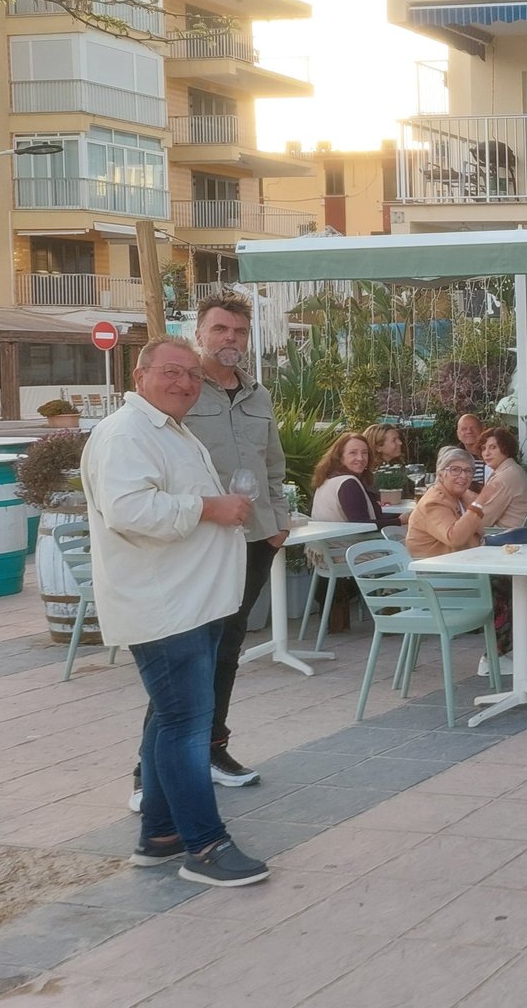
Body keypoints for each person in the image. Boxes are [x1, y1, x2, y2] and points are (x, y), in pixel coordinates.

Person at [82, 337, 268, 887]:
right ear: (140, 376)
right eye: (171, 371)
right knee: (187, 727)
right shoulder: (126, 433)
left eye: (193, 375)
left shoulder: (166, 430)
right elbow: (129, 510)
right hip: (165, 608)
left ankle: (160, 835)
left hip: (192, 603)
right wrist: (211, 508)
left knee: (171, 719)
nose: (185, 382)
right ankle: (204, 846)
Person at [162, 292, 285, 796]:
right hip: (199, 542)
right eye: (220, 329)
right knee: (185, 653)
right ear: (200, 331)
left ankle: (213, 748)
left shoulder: (259, 396)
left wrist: (278, 524)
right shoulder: (184, 392)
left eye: (238, 331)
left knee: (229, 649)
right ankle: (153, 773)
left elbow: (273, 464)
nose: (230, 339)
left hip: (254, 539)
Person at [310, 432, 399, 529]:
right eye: (353, 453)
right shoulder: (348, 483)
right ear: (340, 457)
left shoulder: (327, 479)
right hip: (348, 543)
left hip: (327, 542)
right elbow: (362, 526)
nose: (360, 458)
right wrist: (400, 521)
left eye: (364, 453)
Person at [476, 426, 527, 531]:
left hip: (504, 538)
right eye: (483, 448)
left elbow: (483, 520)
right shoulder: (513, 469)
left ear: (506, 449)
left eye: (493, 447)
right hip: (515, 535)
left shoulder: (505, 476)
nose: (486, 453)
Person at [455, 413, 488, 488]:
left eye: (473, 428)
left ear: (483, 430)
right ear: (458, 434)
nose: (469, 431)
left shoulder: (492, 455)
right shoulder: (453, 457)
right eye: (464, 429)